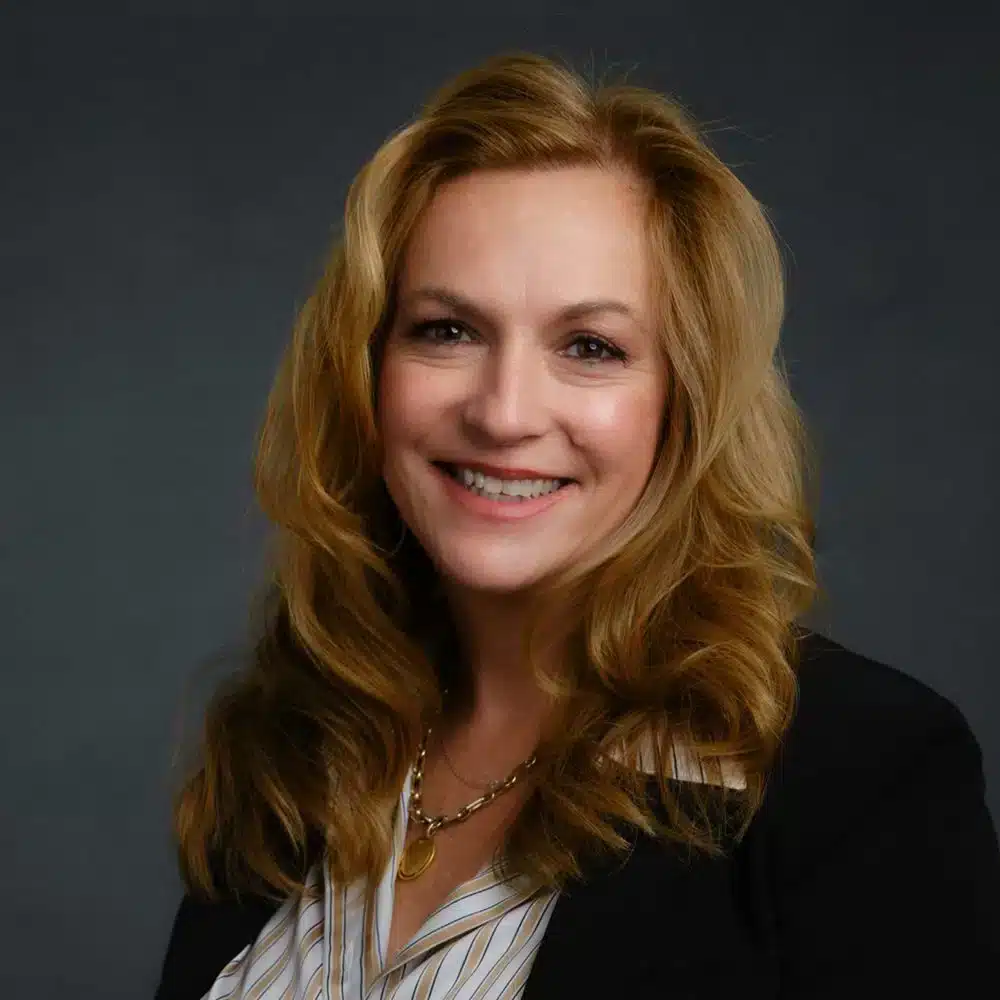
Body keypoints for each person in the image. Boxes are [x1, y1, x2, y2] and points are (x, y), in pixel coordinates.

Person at [153, 51, 1000, 1000]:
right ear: (366, 370)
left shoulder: (857, 774)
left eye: (591, 347)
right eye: (446, 329)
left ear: (687, 401)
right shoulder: (293, 749)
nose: (505, 411)